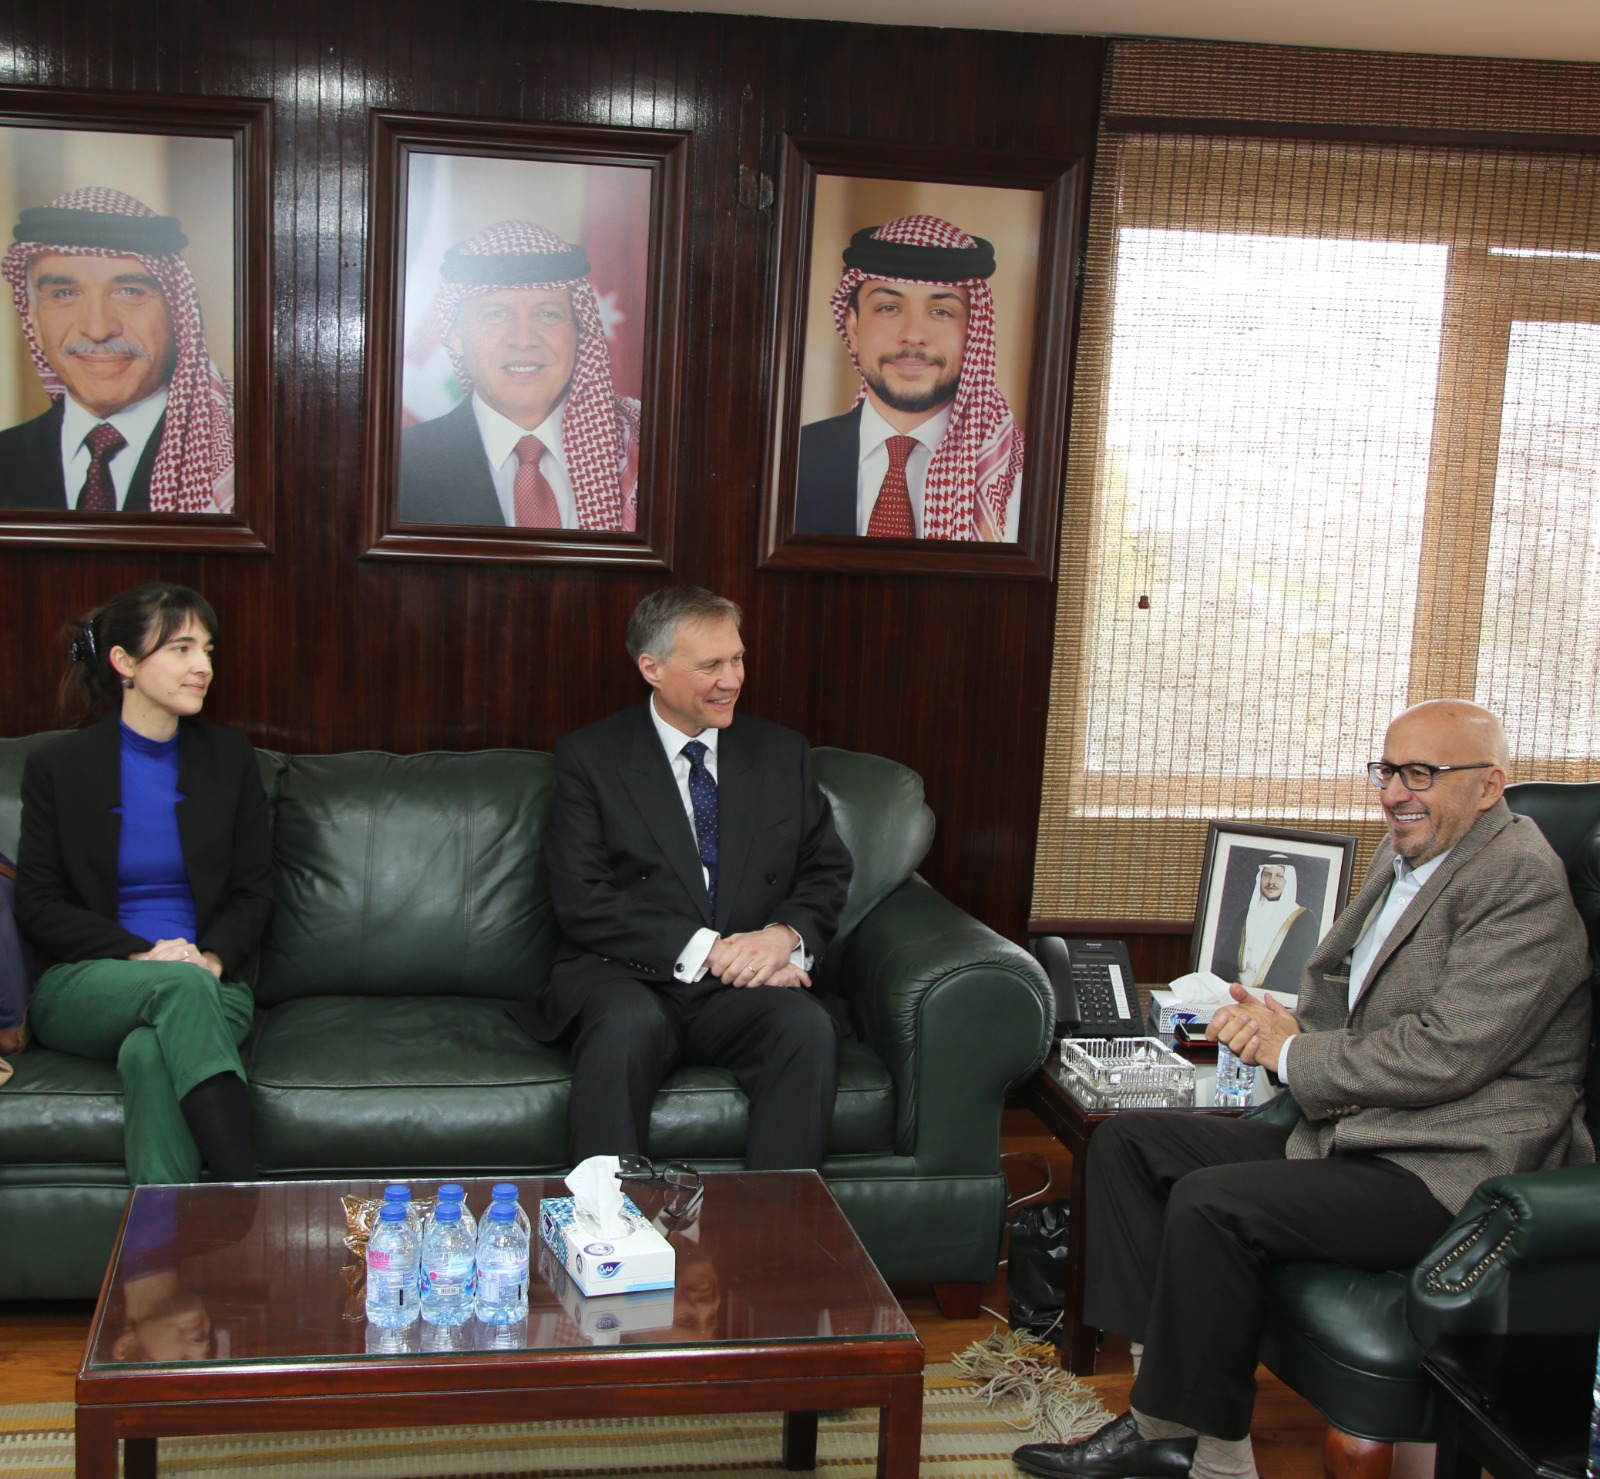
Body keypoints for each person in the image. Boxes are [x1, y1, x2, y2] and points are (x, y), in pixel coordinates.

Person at [1013, 699, 1593, 1479]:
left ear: (1490, 785)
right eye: (1387, 770)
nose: (1394, 793)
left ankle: (1195, 1453)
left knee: (1212, 1202)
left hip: (1450, 1165)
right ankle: (1180, 1432)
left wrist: (1292, 1055)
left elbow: (1449, 1052)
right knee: (1125, 1142)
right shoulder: (1410, 849)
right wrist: (1280, 1023)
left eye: (1421, 773)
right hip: (1364, 1127)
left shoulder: (1521, 883)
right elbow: (1348, 993)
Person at [511, 586, 853, 1171]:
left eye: (738, 659)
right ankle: (606, 1222)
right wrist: (713, 951)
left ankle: (778, 1220)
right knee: (624, 1024)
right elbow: (583, 899)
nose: (732, 680)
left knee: (805, 1027)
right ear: (652, 668)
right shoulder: (592, 758)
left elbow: (826, 868)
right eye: (710, 665)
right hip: (629, 977)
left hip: (742, 988)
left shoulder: (781, 753)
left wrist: (783, 939)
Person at [16, 583, 270, 1186]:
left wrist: (209, 960)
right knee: (177, 987)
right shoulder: (58, 768)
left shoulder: (230, 758)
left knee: (149, 1052)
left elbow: (255, 891)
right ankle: (246, 1190)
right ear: (124, 662)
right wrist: (145, 956)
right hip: (88, 980)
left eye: (207, 650)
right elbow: (38, 904)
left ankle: (164, 1245)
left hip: (211, 981)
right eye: (181, 649)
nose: (203, 666)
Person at [0, 187, 235, 513]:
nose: (98, 329)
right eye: (65, 293)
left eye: (130, 291)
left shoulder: (246, 460)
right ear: (35, 322)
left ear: (178, 314)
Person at [397, 218, 640, 531]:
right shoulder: (399, 466)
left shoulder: (643, 451)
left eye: (547, 313)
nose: (523, 339)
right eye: (496, 314)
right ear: (456, 334)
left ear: (579, 330)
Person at [795, 213, 1024, 542]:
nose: (914, 335)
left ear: (973, 333)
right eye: (888, 308)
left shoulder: (1016, 478)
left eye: (941, 312)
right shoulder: (790, 460)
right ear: (853, 328)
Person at [1209, 854, 1319, 992]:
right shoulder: (1246, 915)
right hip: (1237, 993)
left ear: (1289, 881)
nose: (1272, 881)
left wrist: (1259, 984)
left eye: (1279, 876)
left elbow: (1300, 970)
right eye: (1267, 875)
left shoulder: (1304, 919)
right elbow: (1226, 959)